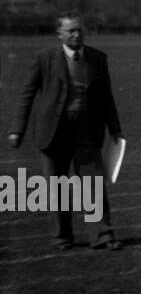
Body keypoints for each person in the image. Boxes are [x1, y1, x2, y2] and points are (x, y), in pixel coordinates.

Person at [7, 13, 125, 250]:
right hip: (53, 131)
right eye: (70, 30)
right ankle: (62, 237)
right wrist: (16, 129)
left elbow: (106, 98)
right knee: (56, 186)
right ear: (59, 34)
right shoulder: (44, 58)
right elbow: (27, 94)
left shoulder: (97, 58)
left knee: (92, 184)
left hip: (87, 131)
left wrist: (115, 130)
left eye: (79, 29)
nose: (76, 34)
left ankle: (102, 236)